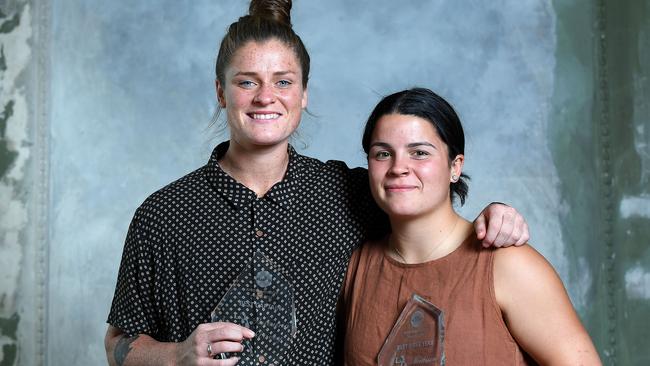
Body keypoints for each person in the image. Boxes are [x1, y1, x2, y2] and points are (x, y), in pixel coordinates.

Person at [104, 2, 530, 365]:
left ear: (304, 93)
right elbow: (118, 342)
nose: (265, 97)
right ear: (221, 92)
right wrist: (176, 355)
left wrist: (494, 216)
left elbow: (429, 215)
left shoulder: (350, 194)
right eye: (246, 81)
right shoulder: (163, 213)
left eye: (283, 82)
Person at [340, 88, 601, 365]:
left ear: (455, 166)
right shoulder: (354, 269)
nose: (398, 167)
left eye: (419, 152)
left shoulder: (508, 267)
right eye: (382, 154)